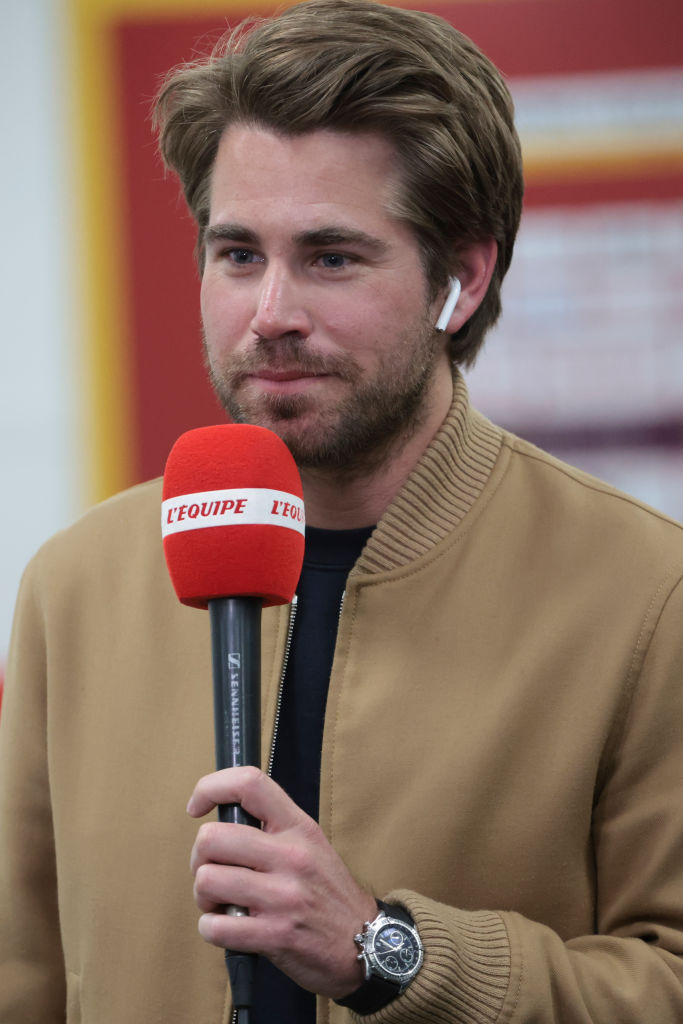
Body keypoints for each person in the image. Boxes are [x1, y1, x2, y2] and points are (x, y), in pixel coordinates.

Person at [1, 0, 683, 1021]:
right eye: (236, 254)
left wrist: (386, 948)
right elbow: (26, 976)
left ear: (461, 275)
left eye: (329, 257)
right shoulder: (77, 582)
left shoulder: (642, 591)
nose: (269, 312)